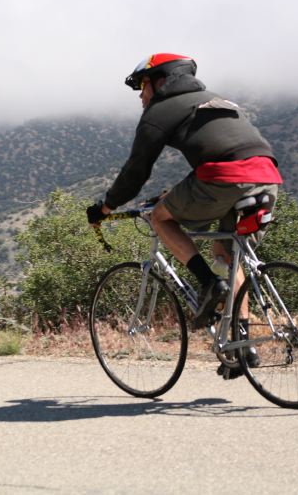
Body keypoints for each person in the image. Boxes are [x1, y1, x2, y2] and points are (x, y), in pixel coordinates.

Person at [86, 53, 281, 376]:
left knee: (161, 217)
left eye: (142, 85)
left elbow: (136, 172)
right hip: (267, 177)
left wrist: (105, 207)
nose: (140, 95)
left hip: (222, 178)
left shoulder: (160, 110)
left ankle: (208, 284)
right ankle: (241, 346)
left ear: (161, 81)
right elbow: (225, 149)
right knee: (228, 254)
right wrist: (176, 193)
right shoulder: (217, 100)